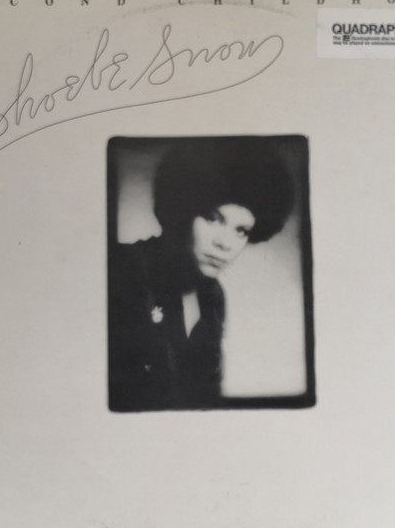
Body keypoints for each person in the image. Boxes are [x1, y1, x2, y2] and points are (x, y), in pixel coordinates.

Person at [108, 138, 294, 412]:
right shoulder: (121, 268)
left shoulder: (213, 297)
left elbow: (208, 399)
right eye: (212, 218)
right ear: (181, 210)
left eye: (241, 231)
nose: (225, 243)